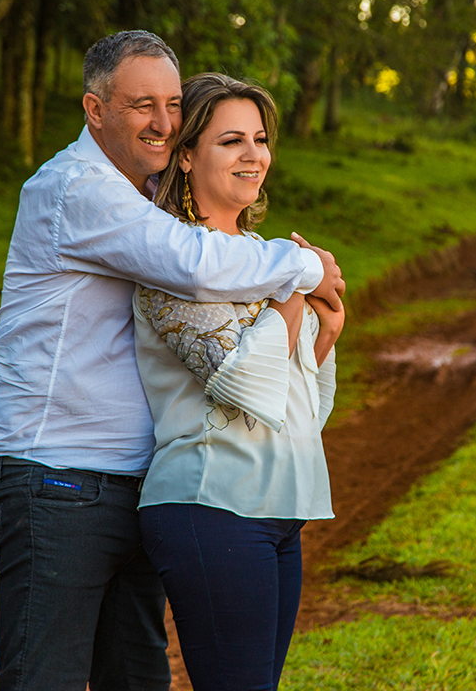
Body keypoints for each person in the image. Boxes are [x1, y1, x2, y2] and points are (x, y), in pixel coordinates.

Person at [0, 31, 345, 691]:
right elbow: (191, 265)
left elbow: (211, 258)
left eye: (173, 103)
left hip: (132, 478)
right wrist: (306, 270)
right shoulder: (79, 189)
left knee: (138, 677)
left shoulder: (150, 201)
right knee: (44, 679)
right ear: (95, 110)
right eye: (143, 104)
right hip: (54, 471)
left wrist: (318, 313)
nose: (164, 121)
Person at [133, 73, 345, 691]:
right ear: (188, 153)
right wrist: (296, 297)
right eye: (231, 141)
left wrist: (326, 327)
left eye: (260, 139)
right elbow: (240, 381)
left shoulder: (265, 252)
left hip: (280, 507)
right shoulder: (172, 259)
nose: (254, 155)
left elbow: (298, 403)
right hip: (212, 502)